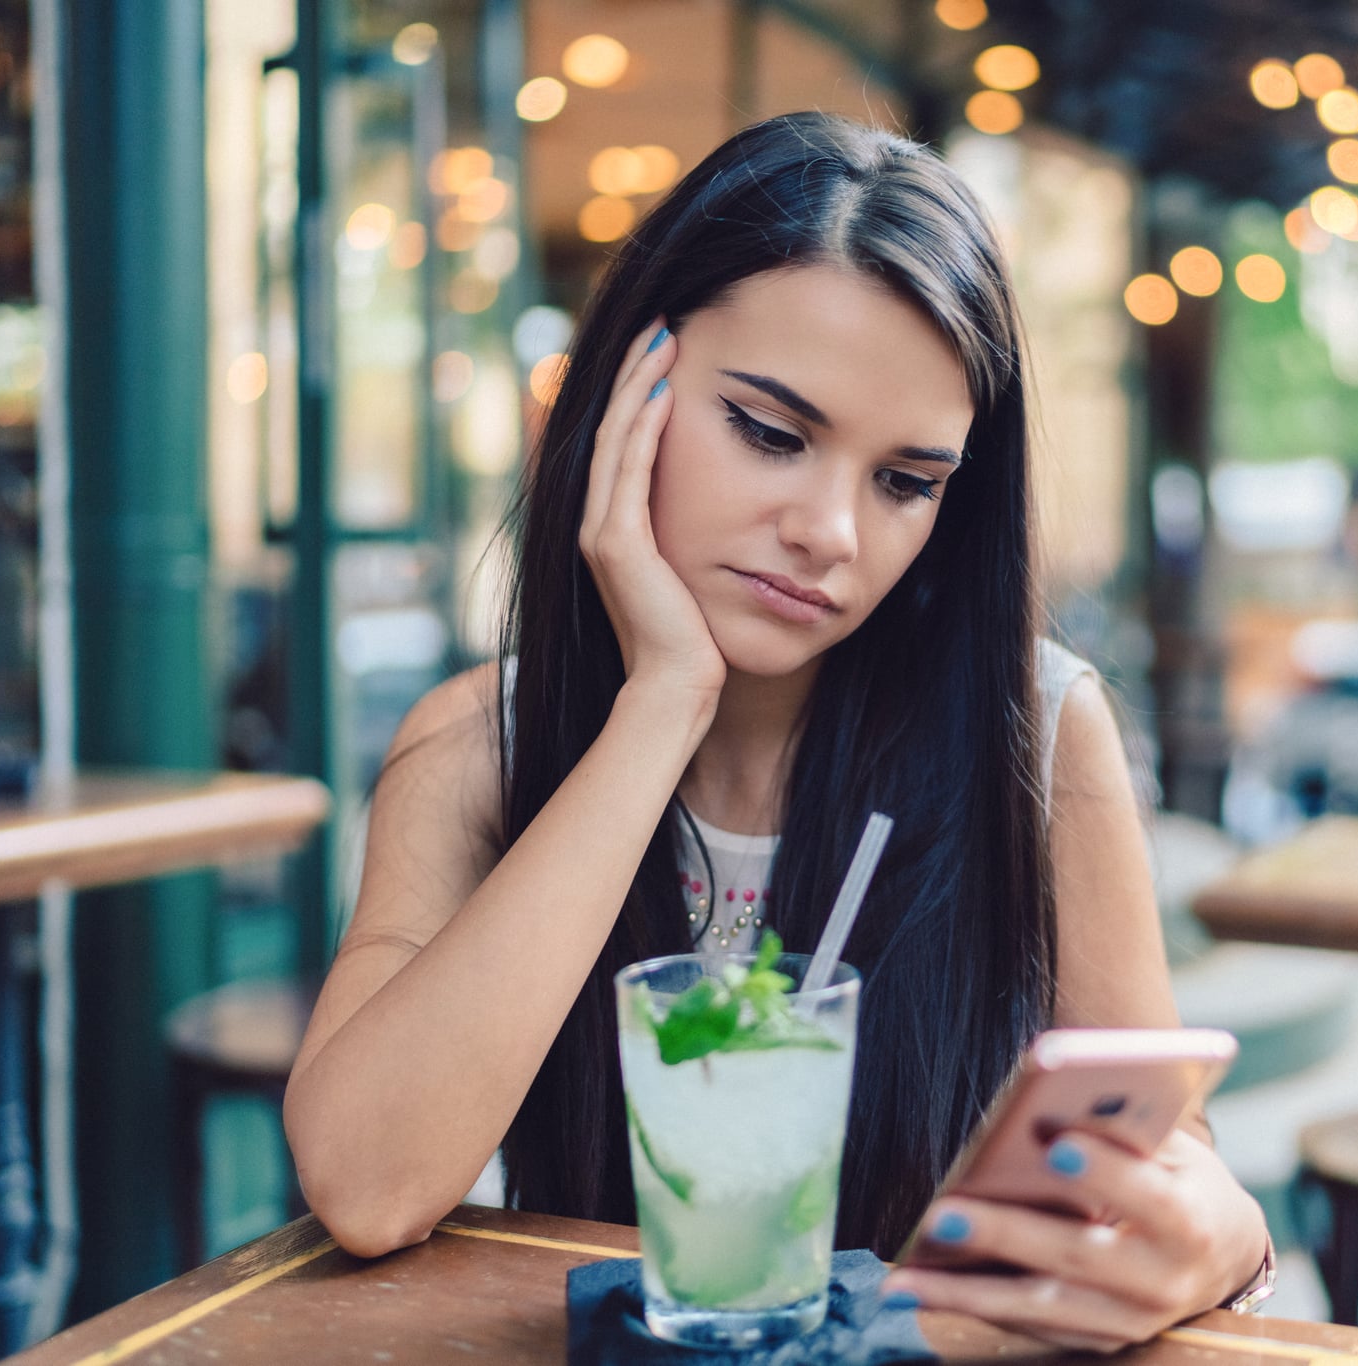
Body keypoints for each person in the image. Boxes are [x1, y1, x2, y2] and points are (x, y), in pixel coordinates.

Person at [284, 111, 1272, 1352]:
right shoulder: (475, 749)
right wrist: (659, 704)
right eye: (769, 431)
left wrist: (1220, 1236)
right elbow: (367, 1185)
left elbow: (1168, 1157)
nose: (833, 533)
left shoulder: (1038, 737)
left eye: (904, 481)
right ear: (624, 392)